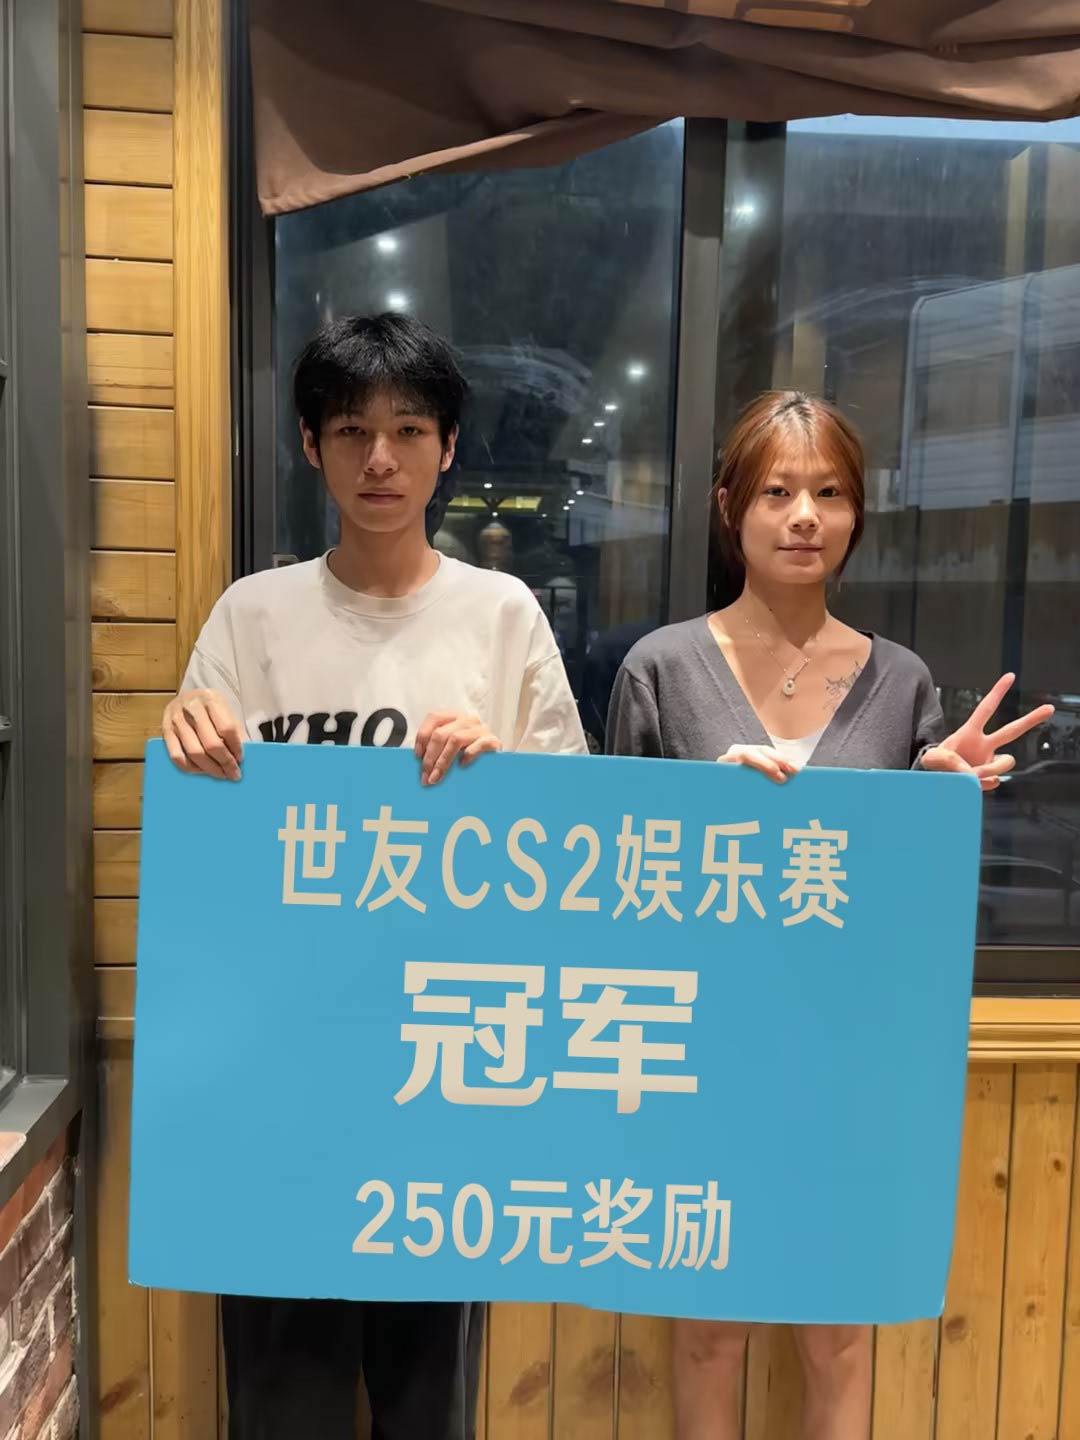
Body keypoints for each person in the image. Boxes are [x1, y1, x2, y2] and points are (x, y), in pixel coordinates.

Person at [161, 312, 588, 1440]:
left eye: (408, 429)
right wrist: (189, 733)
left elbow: (572, 844)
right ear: (312, 447)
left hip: (441, 1068)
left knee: (425, 1403)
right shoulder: (254, 613)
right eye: (352, 431)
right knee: (280, 1401)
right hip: (277, 1069)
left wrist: (503, 780)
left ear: (448, 447)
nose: (381, 458)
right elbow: (205, 828)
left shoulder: (502, 616)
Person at [605, 390, 1054, 1440]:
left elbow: (913, 918)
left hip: (851, 1058)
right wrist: (696, 817)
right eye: (777, 492)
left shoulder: (901, 684)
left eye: (830, 493)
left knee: (839, 1337)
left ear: (857, 513)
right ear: (730, 509)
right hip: (696, 1053)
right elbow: (610, 884)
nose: (805, 515)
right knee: (708, 1333)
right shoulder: (657, 669)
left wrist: (934, 804)